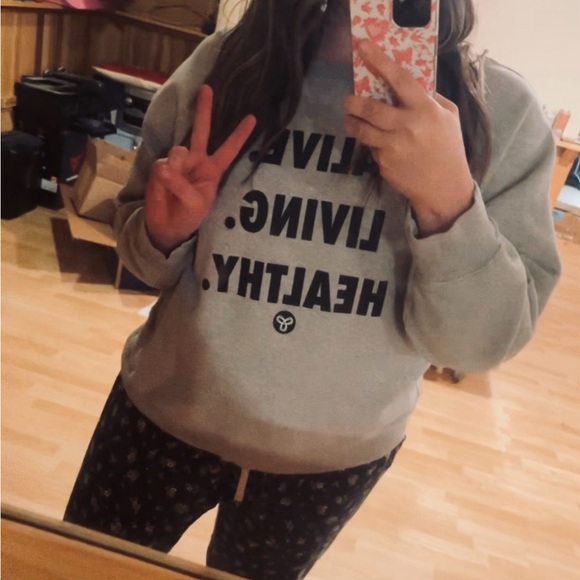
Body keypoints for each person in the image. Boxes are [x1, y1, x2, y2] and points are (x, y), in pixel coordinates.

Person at [64, 0, 561, 578]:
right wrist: (163, 233)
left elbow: (476, 347)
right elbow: (141, 258)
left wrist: (449, 202)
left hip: (326, 466)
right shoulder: (223, 67)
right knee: (77, 570)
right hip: (158, 420)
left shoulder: (502, 113)